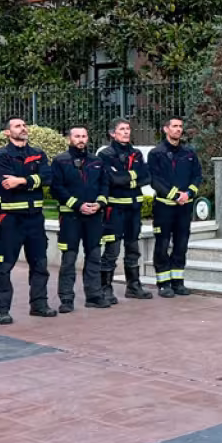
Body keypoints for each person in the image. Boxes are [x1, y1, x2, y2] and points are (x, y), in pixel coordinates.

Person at [0, 117, 55, 324]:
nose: (23, 128)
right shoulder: (1, 155)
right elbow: (7, 183)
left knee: (40, 264)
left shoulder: (38, 154)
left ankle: (39, 304)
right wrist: (30, 181)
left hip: (35, 219)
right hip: (11, 220)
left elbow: (47, 178)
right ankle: (1, 310)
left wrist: (22, 180)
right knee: (4, 265)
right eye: (18, 126)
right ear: (7, 133)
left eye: (24, 125)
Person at [50, 125, 109, 312]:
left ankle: (94, 295)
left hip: (94, 216)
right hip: (70, 218)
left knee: (94, 257)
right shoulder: (60, 161)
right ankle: (66, 299)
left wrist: (99, 203)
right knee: (69, 259)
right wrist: (77, 205)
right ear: (69, 138)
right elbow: (56, 188)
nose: (81, 139)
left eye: (84, 136)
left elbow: (104, 185)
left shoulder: (96, 161)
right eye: (77, 136)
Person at [98, 118, 153, 304]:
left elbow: (146, 177)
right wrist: (132, 176)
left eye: (128, 129)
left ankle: (133, 286)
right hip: (114, 210)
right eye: (122, 129)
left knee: (133, 247)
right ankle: (105, 288)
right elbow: (112, 179)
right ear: (112, 133)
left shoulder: (136, 153)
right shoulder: (106, 154)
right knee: (112, 250)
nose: (126, 132)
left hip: (134, 209)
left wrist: (126, 176)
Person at [149, 117, 204, 298]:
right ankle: (164, 283)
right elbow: (155, 180)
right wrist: (174, 195)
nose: (178, 129)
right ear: (166, 129)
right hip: (164, 207)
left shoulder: (188, 153)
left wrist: (188, 193)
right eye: (174, 126)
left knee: (181, 245)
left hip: (184, 208)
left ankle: (178, 282)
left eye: (180, 126)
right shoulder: (156, 153)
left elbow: (197, 176)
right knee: (162, 245)